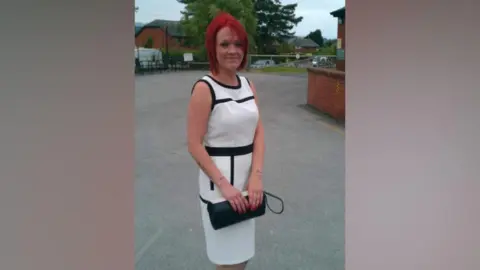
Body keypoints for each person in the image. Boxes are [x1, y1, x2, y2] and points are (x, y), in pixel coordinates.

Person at [186, 11, 265, 270]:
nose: (233, 50)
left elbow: (258, 132)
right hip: (219, 189)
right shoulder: (204, 88)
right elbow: (194, 144)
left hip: (246, 186)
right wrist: (224, 186)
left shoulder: (247, 84)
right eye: (224, 44)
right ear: (213, 48)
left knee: (241, 258)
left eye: (238, 44)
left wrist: (256, 177)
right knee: (226, 260)